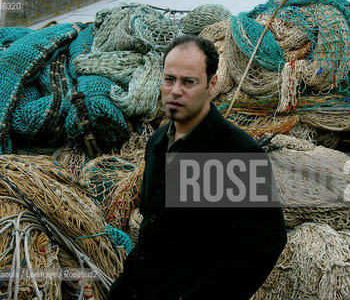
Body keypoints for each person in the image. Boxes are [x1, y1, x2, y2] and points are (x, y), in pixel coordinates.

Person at [108, 35, 287, 300]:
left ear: (211, 84)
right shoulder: (158, 142)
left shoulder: (236, 152)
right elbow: (153, 226)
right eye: (169, 80)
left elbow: (263, 245)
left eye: (188, 82)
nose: (176, 90)